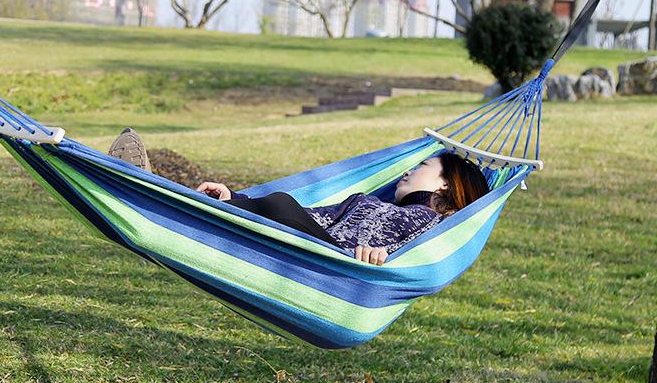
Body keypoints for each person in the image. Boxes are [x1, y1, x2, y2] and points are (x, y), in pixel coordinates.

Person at [108, 128, 490, 265]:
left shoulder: (434, 223)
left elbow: (412, 256)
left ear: (444, 184)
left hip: (335, 266)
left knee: (279, 204)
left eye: (422, 166)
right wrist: (236, 198)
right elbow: (312, 214)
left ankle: (149, 196)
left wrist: (381, 258)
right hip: (308, 241)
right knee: (280, 203)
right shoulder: (368, 200)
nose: (408, 171)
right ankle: (154, 194)